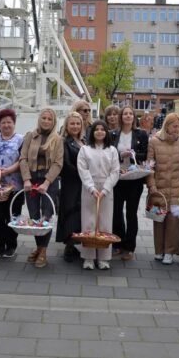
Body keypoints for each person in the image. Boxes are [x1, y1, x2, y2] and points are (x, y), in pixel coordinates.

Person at [19, 108, 63, 268]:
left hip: (48, 182)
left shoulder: (57, 139)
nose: (46, 121)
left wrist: (47, 182)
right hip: (31, 179)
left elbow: (58, 163)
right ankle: (39, 247)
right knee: (34, 217)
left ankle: (43, 251)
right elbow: (23, 157)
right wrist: (26, 179)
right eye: (43, 118)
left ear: (53, 121)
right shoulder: (30, 136)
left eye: (49, 119)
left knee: (46, 218)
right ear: (39, 119)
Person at [147, 113, 179, 265]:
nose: (177, 129)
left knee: (174, 221)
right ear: (167, 126)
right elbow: (149, 166)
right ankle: (159, 250)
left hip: (178, 186)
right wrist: (151, 185)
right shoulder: (154, 141)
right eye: (175, 126)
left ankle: (169, 252)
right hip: (159, 187)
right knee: (159, 219)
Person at [77, 120, 120, 270]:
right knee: (89, 221)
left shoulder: (112, 150)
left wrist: (106, 189)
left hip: (106, 188)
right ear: (92, 132)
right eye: (97, 129)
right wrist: (90, 187)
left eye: (103, 129)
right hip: (90, 187)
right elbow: (83, 170)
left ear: (107, 132)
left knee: (105, 222)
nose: (100, 132)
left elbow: (115, 171)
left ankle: (104, 258)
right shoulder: (85, 150)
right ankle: (88, 257)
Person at [0, 109, 24, 259]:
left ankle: (11, 245)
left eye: (9, 122)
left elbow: (22, 160)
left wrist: (8, 170)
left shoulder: (21, 139)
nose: (6, 125)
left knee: (13, 216)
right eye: (3, 122)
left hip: (15, 186)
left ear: (14, 124)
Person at [111, 106, 149, 261]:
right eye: (125, 113)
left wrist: (132, 154)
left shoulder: (141, 134)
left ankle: (130, 247)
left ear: (134, 117)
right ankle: (118, 243)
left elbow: (146, 154)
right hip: (118, 178)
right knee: (116, 212)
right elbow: (109, 153)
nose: (128, 116)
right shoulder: (112, 134)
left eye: (130, 113)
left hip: (134, 179)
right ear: (121, 117)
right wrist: (121, 155)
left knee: (131, 213)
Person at [55, 112, 85, 262]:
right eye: (72, 123)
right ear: (66, 125)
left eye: (78, 123)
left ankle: (73, 245)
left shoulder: (83, 141)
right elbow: (66, 165)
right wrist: (85, 174)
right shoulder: (64, 142)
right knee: (70, 212)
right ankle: (69, 247)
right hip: (71, 183)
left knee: (79, 213)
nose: (75, 126)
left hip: (83, 183)